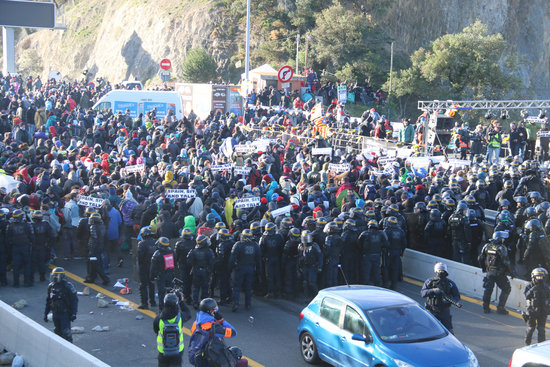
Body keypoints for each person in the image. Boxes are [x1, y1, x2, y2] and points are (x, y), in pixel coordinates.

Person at [189, 298, 237, 367]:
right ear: (212, 311)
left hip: (196, 356)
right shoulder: (214, 327)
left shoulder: (196, 323)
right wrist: (222, 321)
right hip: (209, 358)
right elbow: (233, 332)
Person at [478, 231, 513, 314]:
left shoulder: (487, 246)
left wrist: (484, 269)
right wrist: (511, 272)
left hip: (489, 272)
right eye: (502, 238)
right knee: (507, 288)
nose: (504, 240)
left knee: (488, 290)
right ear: (499, 239)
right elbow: (506, 262)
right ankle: (500, 308)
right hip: (499, 273)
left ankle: (485, 307)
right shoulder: (501, 247)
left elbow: (480, 258)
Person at [421, 262, 461, 333]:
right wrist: (433, 290)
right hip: (432, 310)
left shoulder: (450, 283)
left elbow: (457, 297)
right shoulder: (429, 281)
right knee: (430, 331)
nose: (441, 272)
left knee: (449, 332)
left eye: (442, 270)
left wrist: (449, 300)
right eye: (439, 270)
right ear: (436, 271)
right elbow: (423, 293)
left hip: (444, 310)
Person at [153, 293, 190, 367]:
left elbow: (155, 330)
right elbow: (188, 313)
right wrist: (181, 301)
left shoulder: (159, 318)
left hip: (163, 349)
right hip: (177, 349)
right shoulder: (180, 318)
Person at [229, 229, 261, 312]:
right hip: (250, 268)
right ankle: (248, 304)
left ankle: (236, 303)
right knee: (248, 287)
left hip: (240, 268)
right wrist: (259, 271)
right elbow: (258, 260)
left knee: (236, 287)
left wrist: (230, 268)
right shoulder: (255, 245)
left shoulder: (238, 245)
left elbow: (232, 258)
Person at [44, 267, 78, 342]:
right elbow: (49, 301)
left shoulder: (68, 287)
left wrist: (74, 313)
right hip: (55, 313)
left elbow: (74, 301)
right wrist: (46, 313)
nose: (54, 277)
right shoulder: (51, 286)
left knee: (66, 332)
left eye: (56, 276)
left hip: (64, 313)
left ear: (61, 276)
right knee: (57, 332)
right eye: (53, 276)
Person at [7, 209, 34, 287]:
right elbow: (32, 236)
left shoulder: (10, 226)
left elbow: (8, 238)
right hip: (25, 247)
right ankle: (27, 282)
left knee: (16, 266)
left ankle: (16, 283)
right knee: (27, 265)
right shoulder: (27, 225)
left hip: (15, 248)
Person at [187, 235, 215, 309]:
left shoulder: (193, 251)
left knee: (196, 288)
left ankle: (195, 303)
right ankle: (204, 303)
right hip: (205, 271)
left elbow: (189, 261)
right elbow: (212, 262)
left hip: (196, 271)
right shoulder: (209, 251)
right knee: (205, 288)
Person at [524, 267, 550, 345]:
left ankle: (541, 345)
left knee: (541, 329)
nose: (539, 278)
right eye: (537, 276)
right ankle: (527, 344)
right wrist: (534, 289)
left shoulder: (546, 287)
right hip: (532, 311)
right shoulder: (530, 285)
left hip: (543, 311)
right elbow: (526, 296)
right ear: (533, 277)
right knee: (531, 328)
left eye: (541, 277)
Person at [84, 212, 110, 285]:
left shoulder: (93, 227)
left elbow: (94, 239)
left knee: (95, 264)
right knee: (95, 264)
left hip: (94, 248)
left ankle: (105, 279)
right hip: (100, 247)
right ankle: (91, 278)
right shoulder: (102, 226)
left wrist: (91, 250)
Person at [151, 237, 177, 311]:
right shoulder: (172, 252)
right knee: (171, 292)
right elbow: (175, 263)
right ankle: (171, 308)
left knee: (161, 293)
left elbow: (153, 268)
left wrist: (152, 277)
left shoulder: (157, 254)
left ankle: (162, 309)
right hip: (170, 274)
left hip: (161, 276)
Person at [138, 228, 157, 310]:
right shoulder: (155, 243)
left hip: (144, 267)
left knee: (143, 285)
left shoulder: (142, 244)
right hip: (153, 266)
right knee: (152, 284)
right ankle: (153, 302)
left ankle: (144, 303)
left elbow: (140, 257)